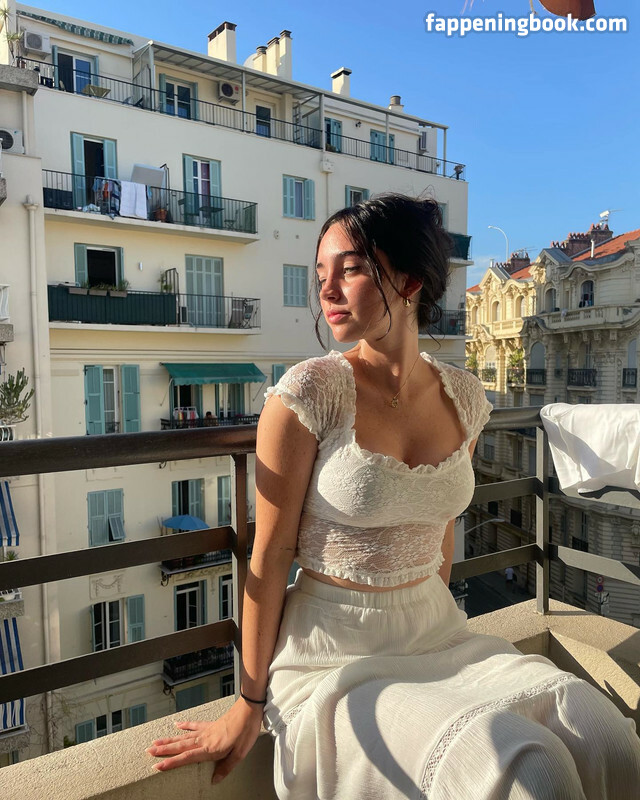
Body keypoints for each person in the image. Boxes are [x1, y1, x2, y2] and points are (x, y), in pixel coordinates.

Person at [147, 195, 640, 798]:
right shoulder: (309, 391)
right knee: (533, 771)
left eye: (350, 269)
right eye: (321, 274)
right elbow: (269, 556)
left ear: (408, 281)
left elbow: (440, 532)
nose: (327, 290)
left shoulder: (464, 396)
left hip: (437, 630)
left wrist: (439, 615)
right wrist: (247, 701)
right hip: (336, 652)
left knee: (606, 734)